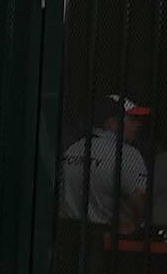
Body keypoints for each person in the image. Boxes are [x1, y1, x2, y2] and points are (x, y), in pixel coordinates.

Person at [58, 94, 153, 233]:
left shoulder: (73, 149)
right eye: (132, 119)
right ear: (112, 123)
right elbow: (140, 202)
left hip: (71, 237)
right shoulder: (126, 154)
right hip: (111, 241)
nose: (138, 124)